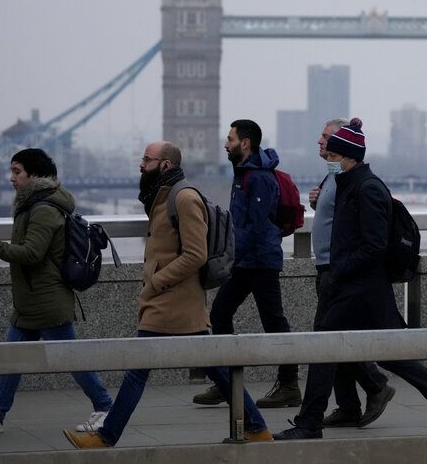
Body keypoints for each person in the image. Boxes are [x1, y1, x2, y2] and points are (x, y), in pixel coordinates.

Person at [64, 141, 271, 448]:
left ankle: (106, 436)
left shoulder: (184, 198)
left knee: (138, 371)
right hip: (173, 301)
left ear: (165, 165)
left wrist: (157, 280)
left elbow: (196, 254)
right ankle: (256, 427)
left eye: (147, 159)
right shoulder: (162, 196)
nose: (140, 164)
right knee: (216, 368)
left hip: (172, 302)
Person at [274, 119, 427, 440]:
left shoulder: (368, 188)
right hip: (357, 287)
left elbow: (374, 246)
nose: (330, 163)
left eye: (334, 158)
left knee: (323, 348)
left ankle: (309, 423)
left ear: (348, 158)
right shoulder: (351, 184)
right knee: (390, 355)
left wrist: (339, 269)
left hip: (358, 288)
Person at [0, 148, 113, 434]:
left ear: (33, 175)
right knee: (13, 360)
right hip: (30, 300)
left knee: (72, 358)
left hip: (47, 301)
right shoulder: (33, 204)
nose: (11, 178)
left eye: (17, 171)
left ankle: (105, 407)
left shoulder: (43, 208)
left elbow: (32, 253)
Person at [194, 120, 300, 409]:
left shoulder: (259, 178)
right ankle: (226, 382)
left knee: (274, 321)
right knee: (220, 312)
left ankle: (290, 384)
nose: (225, 144)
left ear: (245, 143)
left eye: (229, 139)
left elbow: (256, 225)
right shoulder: (243, 173)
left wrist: (231, 256)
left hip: (260, 261)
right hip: (246, 261)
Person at [308, 119, 393, 429]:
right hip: (330, 267)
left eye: (327, 138)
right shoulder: (334, 175)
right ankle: (348, 405)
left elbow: (371, 241)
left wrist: (340, 268)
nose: (321, 143)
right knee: (334, 338)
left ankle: (374, 386)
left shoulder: (358, 181)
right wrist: (316, 203)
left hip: (339, 270)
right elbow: (335, 215)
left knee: (328, 339)